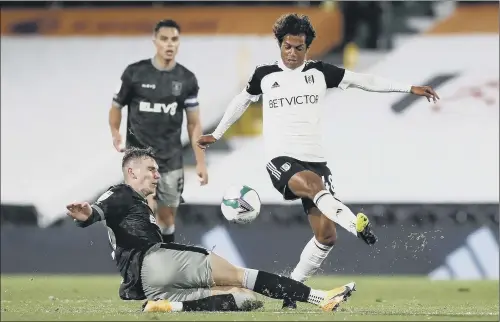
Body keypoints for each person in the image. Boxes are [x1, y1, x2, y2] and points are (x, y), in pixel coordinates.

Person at [197, 13, 440, 309]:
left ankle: (292, 290)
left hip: (316, 161)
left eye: (299, 48)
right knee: (313, 186)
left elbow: (364, 80)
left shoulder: (320, 73)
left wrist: (409, 88)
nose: (292, 53)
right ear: (280, 44)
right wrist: (218, 133)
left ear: (307, 47)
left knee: (326, 236)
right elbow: (243, 100)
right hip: (282, 159)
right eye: (287, 46)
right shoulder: (265, 75)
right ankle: (355, 223)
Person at [66, 147, 356, 313]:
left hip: (150, 286)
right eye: (151, 170)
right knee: (244, 276)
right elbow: (97, 211)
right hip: (154, 262)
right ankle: (321, 298)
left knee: (245, 298)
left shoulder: (136, 204)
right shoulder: (121, 193)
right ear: (132, 172)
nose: (157, 175)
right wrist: (86, 213)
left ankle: (167, 307)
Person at [108, 19, 208, 243]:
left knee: (167, 218)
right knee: (146, 211)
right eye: (164, 39)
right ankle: (145, 270)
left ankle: (166, 261)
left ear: (179, 42)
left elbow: (194, 123)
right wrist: (115, 132)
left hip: (171, 159)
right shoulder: (134, 73)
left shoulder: (187, 79)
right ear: (155, 41)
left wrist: (200, 160)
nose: (169, 44)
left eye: (174, 39)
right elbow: (116, 107)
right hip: (139, 157)